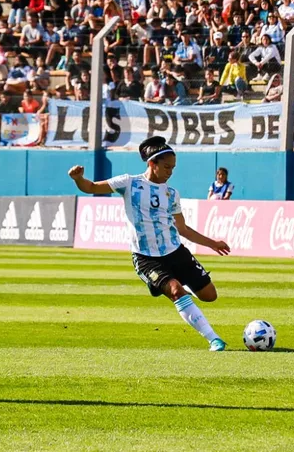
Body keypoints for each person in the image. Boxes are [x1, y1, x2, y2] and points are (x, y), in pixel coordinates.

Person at [68, 137, 231, 351]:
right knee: (175, 291)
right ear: (152, 163)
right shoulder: (129, 183)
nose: (170, 172)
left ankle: (183, 291)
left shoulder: (171, 194)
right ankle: (214, 339)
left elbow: (182, 229)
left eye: (173, 168)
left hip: (176, 252)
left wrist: (212, 243)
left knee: (209, 296)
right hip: (146, 259)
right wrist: (78, 179)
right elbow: (91, 187)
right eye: (166, 167)